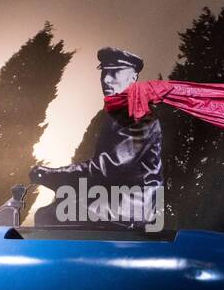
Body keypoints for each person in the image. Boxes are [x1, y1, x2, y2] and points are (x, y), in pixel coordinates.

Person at [30, 47, 162, 228]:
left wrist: (53, 174)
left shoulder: (138, 115)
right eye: (104, 73)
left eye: (115, 72)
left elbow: (108, 166)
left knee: (51, 215)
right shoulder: (117, 115)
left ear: (133, 78)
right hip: (114, 200)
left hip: (130, 206)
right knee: (53, 210)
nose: (106, 79)